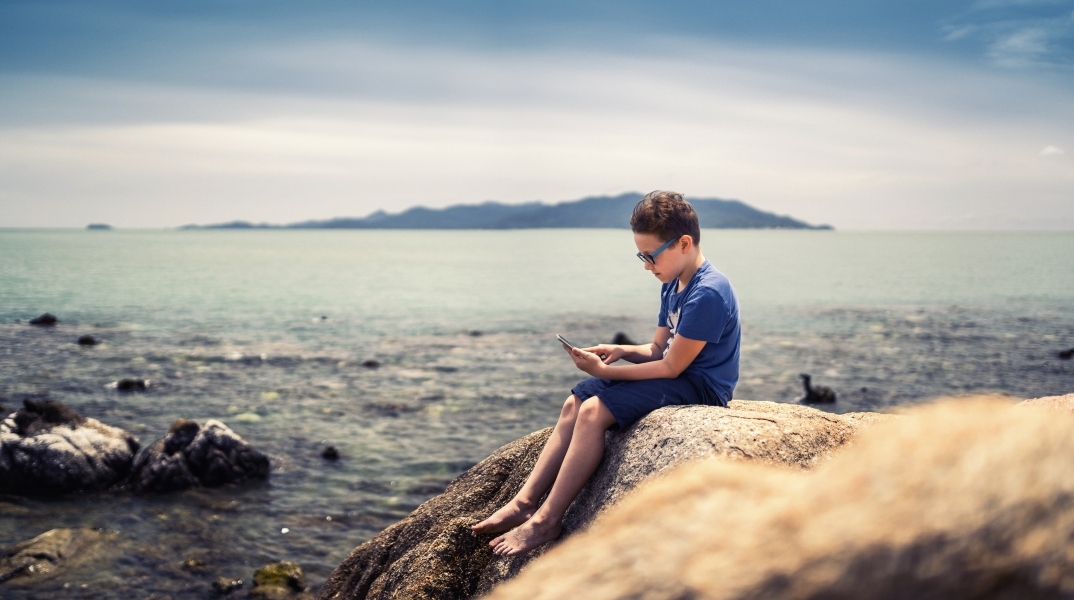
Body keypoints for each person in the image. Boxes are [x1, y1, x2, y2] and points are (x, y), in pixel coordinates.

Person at [470, 190, 741, 556]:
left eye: (650, 255)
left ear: (684, 243)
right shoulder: (672, 283)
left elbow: (673, 366)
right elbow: (657, 350)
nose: (646, 265)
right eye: (640, 256)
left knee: (594, 412)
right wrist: (619, 351)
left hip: (701, 386)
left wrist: (603, 371)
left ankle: (547, 520)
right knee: (576, 400)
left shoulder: (708, 292)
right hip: (678, 374)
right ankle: (524, 502)